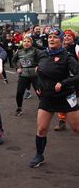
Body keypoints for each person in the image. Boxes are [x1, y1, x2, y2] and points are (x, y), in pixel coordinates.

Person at [29, 28, 79, 168]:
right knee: (41, 130)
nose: (51, 39)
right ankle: (39, 155)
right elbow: (39, 72)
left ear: (61, 40)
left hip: (66, 97)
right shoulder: (43, 55)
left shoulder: (67, 57)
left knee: (76, 129)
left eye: (55, 37)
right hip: (48, 98)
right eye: (50, 37)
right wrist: (39, 85)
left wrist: (63, 83)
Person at [53, 29, 79, 131]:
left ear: (73, 38)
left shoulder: (77, 48)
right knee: (62, 99)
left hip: (76, 78)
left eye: (69, 36)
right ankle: (62, 122)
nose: (67, 37)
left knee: (74, 100)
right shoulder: (61, 49)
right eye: (65, 36)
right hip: (65, 79)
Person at [12, 36, 43, 116]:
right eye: (24, 41)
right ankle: (19, 108)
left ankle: (43, 108)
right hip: (24, 74)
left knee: (40, 92)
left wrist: (39, 66)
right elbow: (13, 61)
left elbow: (43, 58)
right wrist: (17, 68)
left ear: (31, 43)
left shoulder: (35, 51)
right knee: (19, 92)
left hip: (35, 74)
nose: (26, 43)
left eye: (28, 41)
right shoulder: (19, 52)